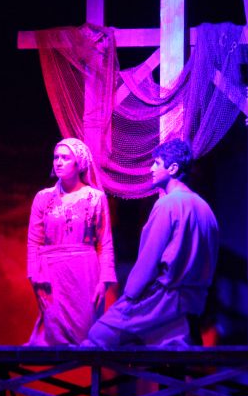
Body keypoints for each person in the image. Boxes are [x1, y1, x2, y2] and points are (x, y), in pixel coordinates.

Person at [84, 139, 218, 347]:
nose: (151, 169)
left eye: (157, 163)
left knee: (98, 336)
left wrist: (130, 295)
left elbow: (149, 259)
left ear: (173, 168)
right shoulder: (205, 209)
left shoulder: (167, 205)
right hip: (194, 303)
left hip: (163, 300)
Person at [26, 137, 117, 345]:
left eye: (65, 158)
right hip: (52, 274)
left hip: (85, 272)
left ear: (79, 163)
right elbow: (34, 242)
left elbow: (105, 242)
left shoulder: (95, 197)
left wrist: (104, 281)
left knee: (86, 331)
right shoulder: (43, 198)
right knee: (53, 332)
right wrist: (34, 277)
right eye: (56, 157)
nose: (58, 162)